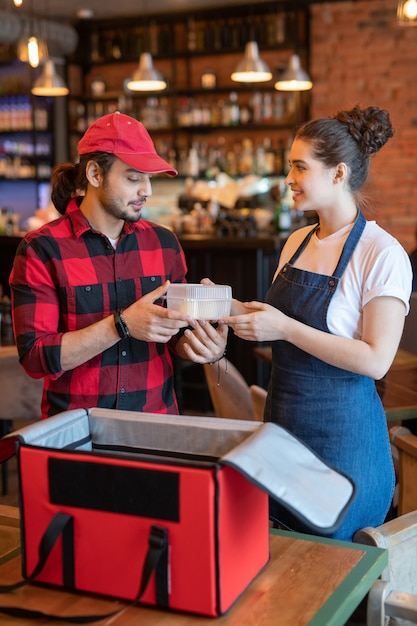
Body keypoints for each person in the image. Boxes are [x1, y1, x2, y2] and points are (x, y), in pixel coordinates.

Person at [219, 105, 412, 541]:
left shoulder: (381, 253)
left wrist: (285, 328)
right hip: (284, 434)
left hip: (345, 448)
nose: (288, 178)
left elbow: (376, 359)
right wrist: (220, 302)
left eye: (299, 167)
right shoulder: (296, 242)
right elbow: (272, 322)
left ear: (339, 173)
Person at [10, 111, 227, 420]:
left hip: (156, 427)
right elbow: (35, 357)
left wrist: (205, 344)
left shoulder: (164, 243)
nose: (147, 191)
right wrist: (121, 325)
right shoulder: (42, 249)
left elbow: (178, 337)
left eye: (148, 178)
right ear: (95, 175)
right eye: (133, 178)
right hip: (78, 434)